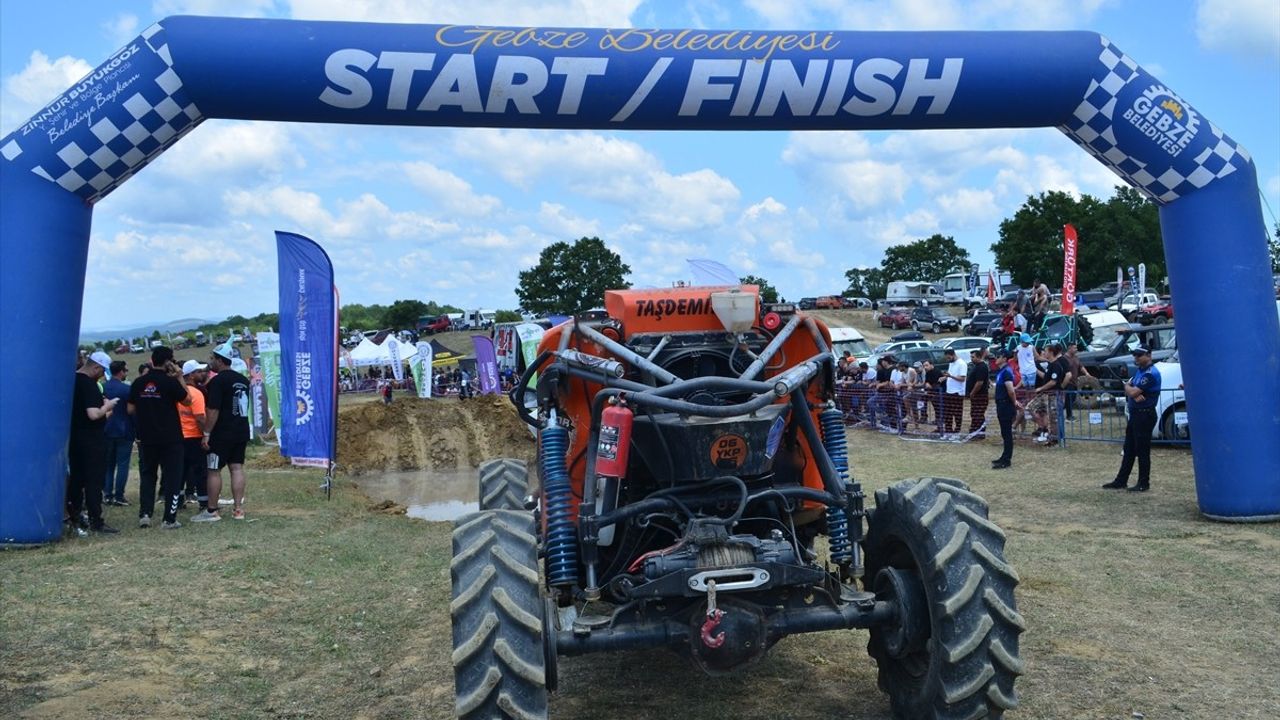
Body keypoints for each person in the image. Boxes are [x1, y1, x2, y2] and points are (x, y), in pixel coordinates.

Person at [129, 347, 191, 529]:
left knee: (147, 475)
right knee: (172, 477)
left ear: (151, 360)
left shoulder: (138, 382)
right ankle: (169, 519)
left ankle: (145, 514)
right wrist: (179, 376)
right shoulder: (170, 382)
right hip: (171, 438)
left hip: (146, 437)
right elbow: (187, 400)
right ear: (168, 362)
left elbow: (130, 409)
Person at [69, 351, 119, 534]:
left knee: (76, 478)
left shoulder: (71, 380)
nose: (101, 375)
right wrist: (107, 406)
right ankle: (96, 521)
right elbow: (93, 414)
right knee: (94, 481)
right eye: (101, 371)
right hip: (92, 440)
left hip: (74, 438)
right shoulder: (89, 385)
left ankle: (75, 517)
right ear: (96, 367)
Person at [1103, 347, 1162, 492]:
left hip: (1144, 414)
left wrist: (1130, 389)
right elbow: (1129, 388)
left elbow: (1132, 390)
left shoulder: (1150, 374)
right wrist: (1130, 390)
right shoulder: (1140, 371)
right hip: (1136, 414)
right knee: (1129, 449)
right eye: (1135, 355)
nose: (1136, 358)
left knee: (1142, 451)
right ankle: (1121, 480)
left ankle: (1143, 483)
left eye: (1139, 355)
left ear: (1149, 355)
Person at [204, 348, 251, 520]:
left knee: (213, 469)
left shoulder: (217, 382)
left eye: (212, 358)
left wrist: (207, 432)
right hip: (241, 430)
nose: (211, 361)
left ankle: (212, 511)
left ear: (220, 360)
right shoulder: (243, 380)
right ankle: (238, 509)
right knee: (237, 468)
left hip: (221, 433)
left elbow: (213, 409)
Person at [179, 361, 217, 521]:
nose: (204, 373)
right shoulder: (196, 393)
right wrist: (207, 433)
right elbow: (200, 417)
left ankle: (178, 501)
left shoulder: (179, 392)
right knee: (201, 472)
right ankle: (203, 503)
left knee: (180, 472)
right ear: (191, 375)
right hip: (194, 436)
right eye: (199, 371)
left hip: (179, 437)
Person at [102, 360, 134, 506]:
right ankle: (119, 496)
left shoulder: (102, 387)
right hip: (124, 429)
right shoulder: (126, 389)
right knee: (122, 464)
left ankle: (107, 494)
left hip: (106, 429)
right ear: (121, 371)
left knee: (108, 465)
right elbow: (130, 410)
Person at [1028, 343, 1070, 445]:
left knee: (1054, 418)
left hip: (1054, 395)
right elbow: (1046, 377)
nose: (1044, 353)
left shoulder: (1056, 365)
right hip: (1045, 394)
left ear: (1051, 352)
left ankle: (1054, 439)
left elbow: (1053, 381)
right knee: (1030, 407)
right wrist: (1036, 370)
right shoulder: (1050, 364)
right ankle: (1044, 430)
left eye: (1046, 351)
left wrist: (1040, 388)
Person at [991, 350, 1023, 469]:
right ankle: (1004, 456)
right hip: (1001, 404)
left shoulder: (1007, 372)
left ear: (1004, 358)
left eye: (998, 356)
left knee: (1007, 433)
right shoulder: (1001, 371)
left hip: (1006, 405)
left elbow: (1010, 390)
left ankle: (1006, 460)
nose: (996, 359)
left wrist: (1014, 401)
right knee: (1004, 433)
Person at [940, 348, 966, 436]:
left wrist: (950, 376)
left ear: (953, 355)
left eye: (948, 358)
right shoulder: (951, 363)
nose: (947, 360)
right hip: (949, 391)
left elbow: (962, 379)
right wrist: (944, 377)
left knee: (957, 413)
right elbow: (950, 375)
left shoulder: (962, 364)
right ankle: (948, 430)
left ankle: (957, 431)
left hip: (957, 392)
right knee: (948, 413)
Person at [967, 348, 990, 438]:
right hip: (977, 395)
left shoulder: (982, 367)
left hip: (980, 395)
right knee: (974, 413)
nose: (971, 359)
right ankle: (974, 430)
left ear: (979, 357)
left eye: (973, 357)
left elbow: (979, 382)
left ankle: (980, 433)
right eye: (971, 357)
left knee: (978, 413)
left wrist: (972, 393)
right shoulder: (977, 366)